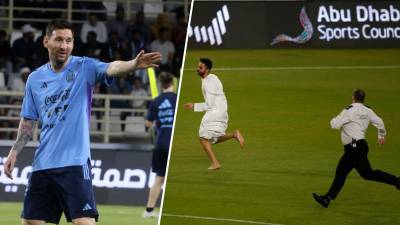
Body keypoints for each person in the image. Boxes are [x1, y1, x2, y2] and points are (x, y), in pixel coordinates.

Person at [3, 19, 161, 225]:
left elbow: (111, 68)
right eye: (58, 39)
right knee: (30, 222)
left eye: (68, 41)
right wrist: (14, 152)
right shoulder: (35, 78)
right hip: (42, 164)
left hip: (74, 163)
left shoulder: (84, 66)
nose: (64, 46)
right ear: (46, 42)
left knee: (84, 222)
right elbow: (28, 120)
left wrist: (133, 64)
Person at [313, 89, 400, 208]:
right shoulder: (368, 110)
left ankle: (327, 198)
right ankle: (396, 181)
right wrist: (381, 135)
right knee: (366, 174)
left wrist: (333, 120)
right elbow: (379, 122)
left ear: (353, 97)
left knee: (343, 172)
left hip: (354, 145)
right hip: (361, 144)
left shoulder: (349, 110)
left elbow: (335, 125)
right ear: (363, 98)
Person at [183, 58, 244, 170]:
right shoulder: (212, 77)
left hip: (215, 111)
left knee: (203, 137)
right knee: (212, 138)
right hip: (221, 109)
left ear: (207, 69)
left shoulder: (208, 83)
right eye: (198, 66)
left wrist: (194, 106)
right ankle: (233, 134)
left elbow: (209, 104)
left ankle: (215, 163)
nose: (197, 69)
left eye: (200, 67)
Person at [143, 72, 176, 218]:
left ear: (161, 85)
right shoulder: (177, 99)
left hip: (161, 144)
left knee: (159, 178)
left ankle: (148, 210)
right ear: (173, 83)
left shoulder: (156, 102)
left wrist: (158, 121)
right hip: (173, 144)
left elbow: (148, 124)